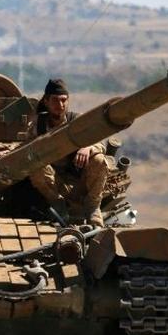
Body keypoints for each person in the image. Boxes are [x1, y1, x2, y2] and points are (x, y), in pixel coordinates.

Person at [28, 78, 108, 227]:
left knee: (99, 159)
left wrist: (88, 147)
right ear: (46, 101)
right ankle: (58, 205)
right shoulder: (37, 124)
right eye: (55, 100)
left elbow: (100, 143)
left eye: (64, 100)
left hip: (79, 182)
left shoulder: (77, 121)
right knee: (34, 163)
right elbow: (24, 148)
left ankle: (92, 208)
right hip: (53, 184)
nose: (60, 105)